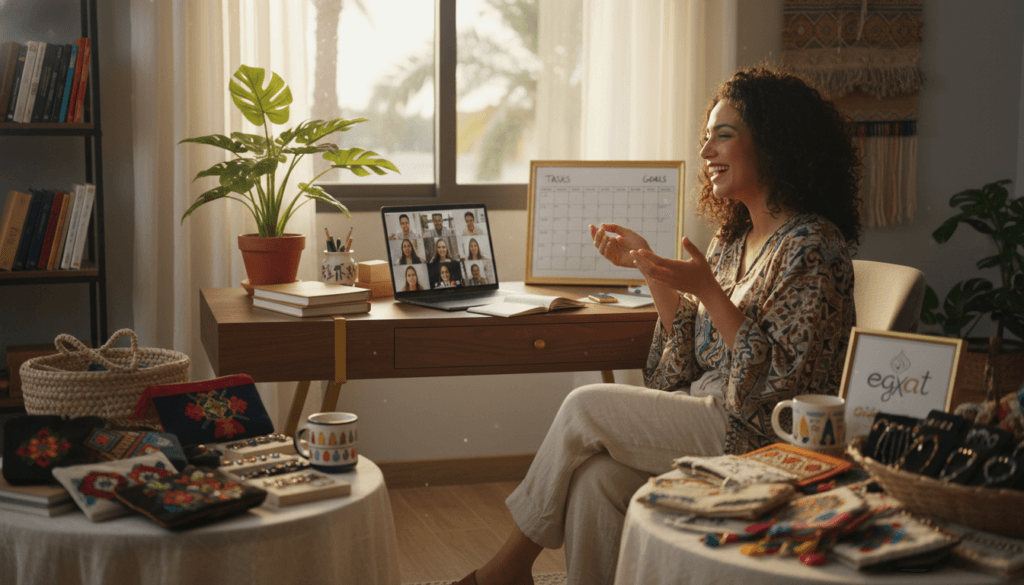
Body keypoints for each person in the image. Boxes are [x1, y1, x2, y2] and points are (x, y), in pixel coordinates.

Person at [455, 66, 862, 585]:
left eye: (724, 135)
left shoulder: (814, 245)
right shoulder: (730, 240)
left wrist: (710, 291)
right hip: (707, 411)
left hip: (760, 434)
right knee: (596, 481)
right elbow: (686, 361)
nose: (707, 150)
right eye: (706, 136)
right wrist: (652, 270)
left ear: (774, 142)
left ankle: (507, 569)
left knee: (585, 406)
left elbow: (783, 384)